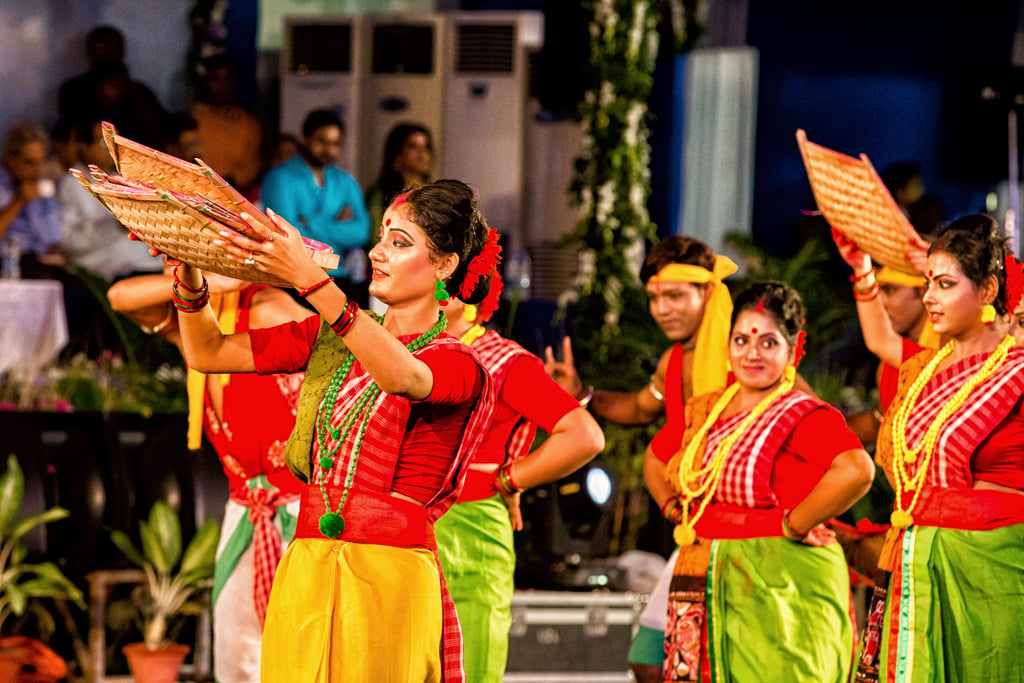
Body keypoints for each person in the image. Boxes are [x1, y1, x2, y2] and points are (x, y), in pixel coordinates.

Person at [167, 179, 498, 682]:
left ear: (445, 265)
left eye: (400, 243)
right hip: (306, 565)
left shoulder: (458, 363)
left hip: (389, 578)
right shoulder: (332, 340)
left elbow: (404, 376)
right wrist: (188, 273)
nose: (379, 253)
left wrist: (311, 281)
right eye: (382, 238)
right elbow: (207, 352)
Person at [661, 280, 874, 682]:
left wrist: (793, 524)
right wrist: (673, 509)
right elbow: (658, 462)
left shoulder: (803, 412)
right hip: (707, 578)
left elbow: (857, 470)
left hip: (783, 589)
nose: (752, 353)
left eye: (768, 343)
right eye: (741, 340)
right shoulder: (711, 410)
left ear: (793, 350)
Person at [107, 265, 311, 683]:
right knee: (237, 654)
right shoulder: (191, 314)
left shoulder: (269, 308)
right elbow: (120, 297)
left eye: (182, 256)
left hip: (303, 507)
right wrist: (202, 283)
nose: (169, 264)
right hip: (245, 507)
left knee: (306, 651)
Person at [854, 214, 1024, 683]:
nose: (929, 296)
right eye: (928, 282)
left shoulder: (1016, 370)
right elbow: (880, 339)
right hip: (916, 563)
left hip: (993, 574)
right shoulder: (925, 369)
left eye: (945, 284)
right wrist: (862, 272)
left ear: (988, 292)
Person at [438, 289, 605, 682]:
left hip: (469, 531)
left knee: (466, 668)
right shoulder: (395, 346)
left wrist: (509, 478)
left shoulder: (502, 360)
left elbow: (584, 437)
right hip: (396, 527)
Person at [260, 108, 371, 307]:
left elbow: (361, 232)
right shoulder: (279, 178)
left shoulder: (345, 180)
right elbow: (288, 236)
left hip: (341, 277)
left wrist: (311, 222)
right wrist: (337, 226)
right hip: (294, 280)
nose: (328, 150)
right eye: (321, 141)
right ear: (305, 138)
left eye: (335, 144)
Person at [58, 118, 162, 281]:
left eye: (116, 141)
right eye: (103, 142)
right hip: (96, 262)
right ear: (85, 147)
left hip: (133, 255)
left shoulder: (121, 180)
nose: (112, 147)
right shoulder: (71, 183)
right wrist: (112, 225)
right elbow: (68, 242)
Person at [57, 26, 165, 149]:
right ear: (88, 52)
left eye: (111, 48)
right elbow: (68, 134)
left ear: (122, 51)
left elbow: (159, 130)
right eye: (99, 48)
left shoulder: (139, 93)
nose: (105, 54)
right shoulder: (73, 91)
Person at [192, 54, 263, 199]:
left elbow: (253, 166)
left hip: (237, 197)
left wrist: (232, 183)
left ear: (235, 82)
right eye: (215, 80)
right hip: (198, 194)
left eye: (227, 79)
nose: (222, 86)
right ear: (207, 82)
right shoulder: (195, 120)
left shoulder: (249, 124)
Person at [365, 123, 434, 244]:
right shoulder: (380, 194)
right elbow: (374, 238)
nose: (422, 154)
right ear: (398, 154)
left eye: (426, 147)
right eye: (413, 147)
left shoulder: (436, 195)